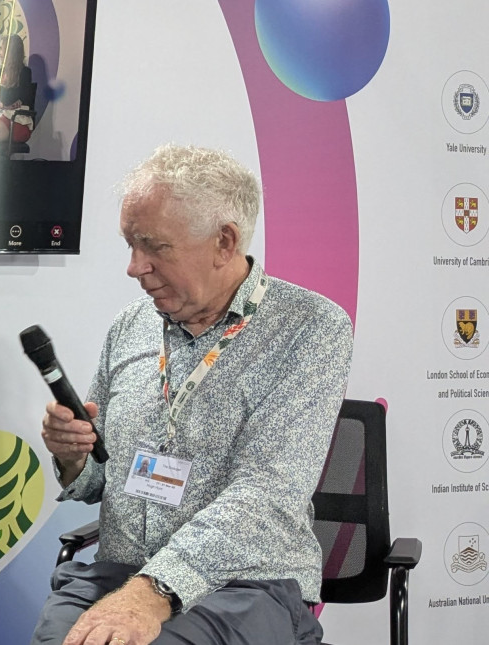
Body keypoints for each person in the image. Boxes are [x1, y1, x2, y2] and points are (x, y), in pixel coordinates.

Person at [32, 145, 354, 645]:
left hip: (246, 584)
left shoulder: (310, 328)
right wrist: (74, 457)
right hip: (120, 573)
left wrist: (151, 592)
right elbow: (100, 476)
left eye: (153, 246)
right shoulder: (131, 327)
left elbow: (266, 495)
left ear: (224, 242)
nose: (134, 267)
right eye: (129, 244)